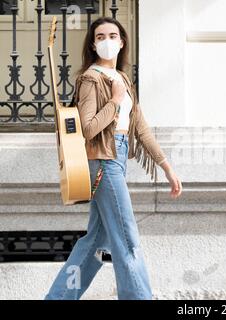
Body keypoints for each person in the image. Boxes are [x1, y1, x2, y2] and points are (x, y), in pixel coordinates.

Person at [44, 16, 182, 300]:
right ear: (94, 45)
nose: (107, 41)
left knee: (95, 240)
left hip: (116, 158)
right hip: (103, 159)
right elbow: (89, 128)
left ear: (122, 42)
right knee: (127, 238)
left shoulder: (123, 80)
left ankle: (58, 297)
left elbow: (141, 128)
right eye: (100, 36)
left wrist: (165, 166)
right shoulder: (91, 79)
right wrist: (115, 102)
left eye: (112, 35)